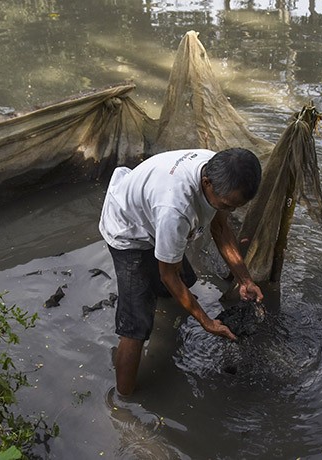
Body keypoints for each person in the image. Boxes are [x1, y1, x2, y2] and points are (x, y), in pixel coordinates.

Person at [99, 147, 264, 396]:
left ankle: (165, 315)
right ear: (206, 183)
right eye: (228, 205)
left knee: (185, 280)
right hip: (128, 232)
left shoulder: (218, 168)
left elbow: (220, 229)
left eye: (235, 207)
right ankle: (123, 401)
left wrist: (245, 279)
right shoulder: (175, 210)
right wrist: (207, 322)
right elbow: (168, 276)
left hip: (152, 214)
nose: (229, 210)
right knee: (136, 326)